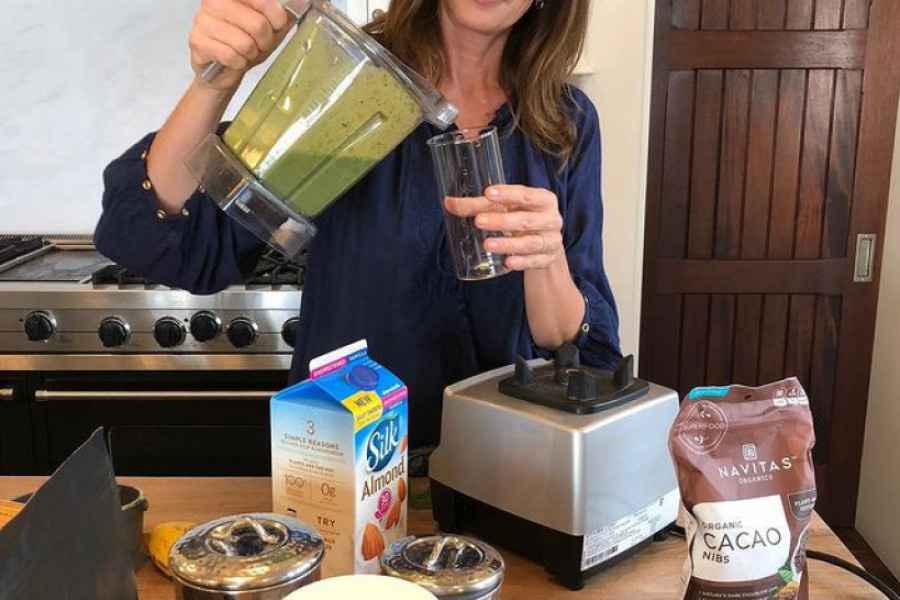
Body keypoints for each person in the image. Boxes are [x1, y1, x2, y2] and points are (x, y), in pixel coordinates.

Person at [94, 0, 622, 450]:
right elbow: (182, 245)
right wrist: (215, 80)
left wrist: (547, 257)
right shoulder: (350, 85)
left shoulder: (563, 121)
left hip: (501, 467)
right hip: (344, 465)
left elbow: (573, 344)